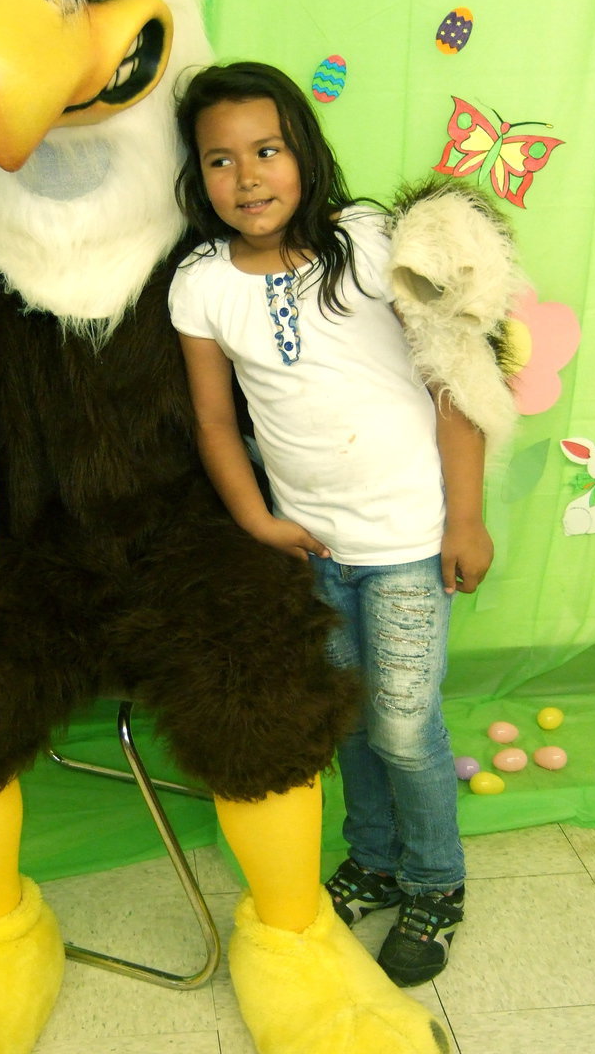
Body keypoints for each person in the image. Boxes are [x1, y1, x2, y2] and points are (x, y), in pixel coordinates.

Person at [169, 61, 494, 989]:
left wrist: (464, 516)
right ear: (199, 177)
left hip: (407, 542)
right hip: (315, 548)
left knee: (402, 725)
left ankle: (435, 882)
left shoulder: (370, 242)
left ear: (303, 152)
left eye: (267, 150)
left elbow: (454, 373)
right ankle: (374, 857)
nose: (249, 177)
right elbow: (213, 421)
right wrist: (258, 519)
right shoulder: (200, 285)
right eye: (222, 161)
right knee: (346, 720)